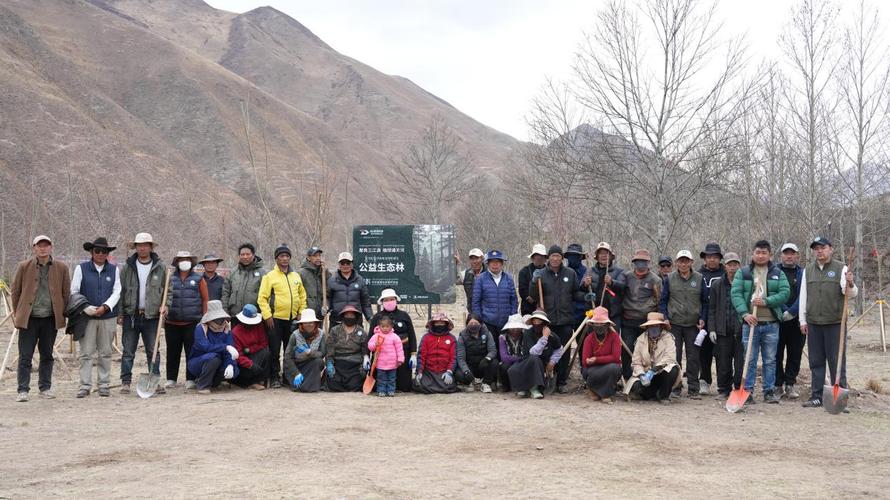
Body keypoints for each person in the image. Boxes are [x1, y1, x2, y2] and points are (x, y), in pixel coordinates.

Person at [799, 237, 858, 408]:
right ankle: (816, 396)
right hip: (814, 323)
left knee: (836, 361)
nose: (819, 251)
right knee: (816, 361)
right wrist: (802, 320)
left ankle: (840, 399)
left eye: (822, 247)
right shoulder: (808, 270)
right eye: (816, 248)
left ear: (830, 249)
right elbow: (803, 296)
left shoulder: (841, 268)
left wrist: (850, 283)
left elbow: (850, 293)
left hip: (835, 323)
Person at [11, 235, 70, 402]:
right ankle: (23, 390)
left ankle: (45, 388)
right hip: (29, 319)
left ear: (51, 248)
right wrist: (19, 313)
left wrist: (63, 312)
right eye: (39, 246)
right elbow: (15, 292)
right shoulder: (24, 266)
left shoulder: (61, 267)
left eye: (46, 245)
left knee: (47, 355)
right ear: (34, 248)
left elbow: (66, 293)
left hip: (50, 318)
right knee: (25, 355)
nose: (43, 249)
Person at [730, 240, 790, 404]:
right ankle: (747, 391)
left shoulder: (777, 273)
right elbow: (736, 294)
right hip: (750, 324)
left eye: (764, 253)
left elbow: (785, 293)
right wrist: (744, 314)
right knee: (749, 359)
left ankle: (768, 391)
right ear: (753, 254)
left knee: (770, 360)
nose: (761, 256)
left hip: (771, 324)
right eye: (758, 252)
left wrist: (766, 301)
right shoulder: (744, 273)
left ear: (770, 255)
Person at [529, 245, 585, 393]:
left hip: (566, 320)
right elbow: (533, 295)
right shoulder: (541, 274)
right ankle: (544, 379)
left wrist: (585, 296)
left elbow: (575, 293)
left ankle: (561, 381)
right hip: (548, 321)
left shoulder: (570, 273)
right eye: (553, 256)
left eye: (558, 256)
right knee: (546, 350)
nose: (555, 259)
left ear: (562, 258)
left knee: (564, 352)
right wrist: (534, 281)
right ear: (548, 257)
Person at [71, 237, 121, 398]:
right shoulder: (81, 269)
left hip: (108, 317)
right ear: (91, 252)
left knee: (105, 352)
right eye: (97, 251)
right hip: (86, 317)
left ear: (107, 253)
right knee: (86, 353)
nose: (100, 254)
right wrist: (86, 308)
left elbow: (117, 291)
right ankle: (85, 385)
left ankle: (104, 384)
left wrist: (106, 306)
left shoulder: (114, 270)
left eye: (104, 251)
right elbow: (74, 291)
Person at [118, 232, 166, 395]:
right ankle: (125, 382)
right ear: (136, 247)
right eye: (139, 245)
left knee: (153, 350)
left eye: (145, 245)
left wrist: (166, 305)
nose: (142, 248)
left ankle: (155, 380)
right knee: (128, 350)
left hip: (152, 316)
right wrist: (120, 313)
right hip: (131, 315)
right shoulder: (127, 267)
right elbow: (121, 291)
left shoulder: (160, 267)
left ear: (151, 247)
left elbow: (168, 290)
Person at [257, 244, 307, 388]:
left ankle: (287, 376)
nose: (284, 259)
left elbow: (302, 295)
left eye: (287, 256)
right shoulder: (269, 276)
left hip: (293, 319)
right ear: (276, 258)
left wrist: (300, 312)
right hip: (275, 319)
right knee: (274, 350)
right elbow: (262, 298)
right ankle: (274, 377)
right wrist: (267, 316)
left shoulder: (295, 276)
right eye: (281, 256)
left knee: (289, 350)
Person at [658, 249, 704, 398]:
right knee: (674, 357)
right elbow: (663, 301)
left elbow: (705, 301)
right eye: (681, 261)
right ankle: (675, 387)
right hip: (674, 324)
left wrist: (703, 317)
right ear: (676, 263)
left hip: (693, 325)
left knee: (693, 357)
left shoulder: (699, 278)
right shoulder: (670, 278)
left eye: (686, 261)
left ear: (691, 262)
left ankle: (693, 388)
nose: (683, 264)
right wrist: (665, 317)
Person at [164, 251, 209, 390]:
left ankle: (191, 379)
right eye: (181, 259)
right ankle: (171, 378)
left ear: (191, 262)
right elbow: (164, 296)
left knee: (191, 352)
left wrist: (205, 317)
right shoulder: (170, 278)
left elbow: (205, 299)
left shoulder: (199, 278)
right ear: (177, 262)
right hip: (172, 322)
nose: (184, 262)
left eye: (187, 259)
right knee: (172, 352)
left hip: (192, 322)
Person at [706, 252, 744, 400]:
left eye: (735, 264)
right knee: (723, 363)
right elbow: (712, 309)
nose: (732, 267)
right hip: (722, 330)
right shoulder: (717, 285)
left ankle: (738, 388)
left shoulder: (745, 283)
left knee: (740, 363)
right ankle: (723, 389)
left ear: (739, 266)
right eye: (729, 264)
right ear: (725, 266)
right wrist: (712, 329)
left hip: (740, 330)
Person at [620, 249, 662, 381]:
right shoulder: (626, 276)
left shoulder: (655, 279)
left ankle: (646, 377)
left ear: (648, 262)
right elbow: (620, 292)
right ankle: (627, 377)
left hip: (646, 321)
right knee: (627, 348)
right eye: (638, 261)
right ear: (634, 262)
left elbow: (658, 300)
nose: (641, 264)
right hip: (628, 319)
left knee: (646, 350)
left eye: (644, 261)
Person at [506, 310, 563, 399]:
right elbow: (533, 352)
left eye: (539, 321)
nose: (536, 324)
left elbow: (559, 349)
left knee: (536, 360)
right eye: (534, 321)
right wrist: (544, 338)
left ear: (544, 323)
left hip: (544, 363)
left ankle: (535, 389)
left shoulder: (552, 336)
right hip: (527, 360)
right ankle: (524, 389)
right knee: (513, 369)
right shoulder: (528, 333)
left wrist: (552, 362)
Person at [626, 312, 680, 403]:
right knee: (636, 386)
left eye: (656, 326)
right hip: (646, 374)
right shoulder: (640, 339)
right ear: (647, 327)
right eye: (651, 326)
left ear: (661, 327)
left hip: (662, 372)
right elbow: (636, 362)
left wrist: (654, 370)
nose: (653, 329)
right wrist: (642, 375)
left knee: (673, 369)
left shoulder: (668, 338)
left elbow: (670, 357)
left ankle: (664, 396)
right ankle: (652, 395)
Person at [368, 289, 416, 392]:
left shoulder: (404, 315)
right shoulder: (377, 317)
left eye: (391, 299)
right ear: (382, 302)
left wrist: (413, 354)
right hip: (381, 355)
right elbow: (370, 337)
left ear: (396, 300)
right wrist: (366, 356)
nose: (389, 302)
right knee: (378, 383)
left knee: (404, 386)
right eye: (386, 300)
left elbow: (412, 335)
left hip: (402, 353)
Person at [187, 300, 239, 394]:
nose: (220, 320)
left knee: (235, 370)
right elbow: (205, 347)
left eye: (221, 317)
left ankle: (215, 383)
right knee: (213, 358)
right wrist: (225, 347)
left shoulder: (226, 328)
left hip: (219, 360)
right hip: (199, 361)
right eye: (217, 318)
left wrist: (230, 364)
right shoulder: (201, 328)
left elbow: (230, 350)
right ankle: (203, 385)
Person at [471, 250, 518, 351]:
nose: (495, 265)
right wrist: (480, 320)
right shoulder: (481, 279)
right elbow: (476, 302)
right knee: (491, 350)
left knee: (506, 350)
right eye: (492, 262)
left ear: (502, 264)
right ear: (487, 264)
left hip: (506, 323)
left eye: (497, 262)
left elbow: (514, 300)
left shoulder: (509, 279)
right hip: (488, 322)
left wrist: (512, 318)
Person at [776, 242, 804, 399]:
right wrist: (783, 310)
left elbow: (804, 295)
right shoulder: (774, 271)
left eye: (792, 253)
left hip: (797, 320)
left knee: (795, 353)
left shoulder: (803, 273)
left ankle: (790, 384)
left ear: (797, 255)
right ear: (781, 255)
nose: (789, 256)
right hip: (777, 319)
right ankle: (777, 385)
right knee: (776, 354)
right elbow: (772, 292)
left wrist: (792, 311)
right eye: (786, 253)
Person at [698, 242, 726, 396]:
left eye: (715, 257)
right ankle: (704, 380)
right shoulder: (698, 274)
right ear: (705, 258)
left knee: (722, 353)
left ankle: (723, 383)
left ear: (719, 258)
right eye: (709, 257)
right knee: (704, 352)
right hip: (703, 318)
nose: (712, 259)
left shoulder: (726, 272)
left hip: (722, 318)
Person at [581, 307, 622, 403]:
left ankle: (606, 394)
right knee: (587, 371)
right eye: (596, 324)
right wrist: (590, 361)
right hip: (593, 369)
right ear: (592, 325)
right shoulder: (589, 339)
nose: (599, 326)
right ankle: (593, 389)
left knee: (614, 368)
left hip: (610, 367)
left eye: (602, 324)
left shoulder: (614, 337)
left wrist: (596, 359)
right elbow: (585, 362)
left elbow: (616, 357)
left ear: (607, 325)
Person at [325, 305, 370, 392]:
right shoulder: (334, 330)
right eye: (347, 315)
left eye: (352, 315)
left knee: (355, 385)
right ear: (343, 316)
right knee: (333, 383)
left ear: (355, 317)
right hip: (338, 362)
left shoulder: (361, 331)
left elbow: (364, 349)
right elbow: (330, 348)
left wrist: (366, 358)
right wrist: (329, 362)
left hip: (355, 363)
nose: (349, 317)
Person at [413, 312, 459, 394]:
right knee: (420, 385)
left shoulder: (451, 338)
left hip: (444, 371)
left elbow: (454, 357)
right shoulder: (426, 337)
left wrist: (449, 371)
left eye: (442, 323)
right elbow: (421, 356)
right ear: (433, 324)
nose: (439, 325)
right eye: (437, 323)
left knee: (448, 387)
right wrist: (419, 371)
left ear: (446, 324)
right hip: (429, 371)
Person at [283, 309, 326, 393]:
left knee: (319, 361)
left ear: (315, 323)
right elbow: (288, 357)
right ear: (301, 324)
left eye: (311, 322)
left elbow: (323, 353)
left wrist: (311, 353)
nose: (308, 325)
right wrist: (296, 373)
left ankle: (309, 385)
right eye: (306, 323)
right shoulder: (295, 335)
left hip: (310, 365)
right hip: (296, 365)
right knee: (298, 385)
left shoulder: (321, 334)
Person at [455, 314, 499, 393]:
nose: (473, 325)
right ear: (467, 324)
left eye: (476, 323)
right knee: (459, 374)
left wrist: (487, 358)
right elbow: (461, 358)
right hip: (470, 365)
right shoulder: (462, 336)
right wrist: (466, 371)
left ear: (481, 324)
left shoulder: (487, 333)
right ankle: (470, 383)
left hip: (483, 364)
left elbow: (493, 350)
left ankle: (486, 383)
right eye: (471, 323)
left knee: (494, 362)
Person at [221, 242, 266, 319]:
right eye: (242, 254)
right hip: (235, 316)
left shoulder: (262, 273)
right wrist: (225, 313)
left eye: (248, 254)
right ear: (239, 256)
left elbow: (267, 296)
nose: (245, 257)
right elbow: (225, 294)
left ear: (253, 255)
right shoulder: (233, 273)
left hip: (255, 317)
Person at [588, 242, 626, 328]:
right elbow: (580, 289)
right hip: (594, 314)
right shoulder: (590, 271)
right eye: (601, 253)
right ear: (597, 256)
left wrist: (612, 282)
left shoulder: (619, 271)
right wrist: (585, 284)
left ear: (611, 256)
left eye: (606, 253)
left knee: (613, 335)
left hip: (613, 314)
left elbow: (623, 287)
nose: (603, 256)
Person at [327, 251, 372, 324]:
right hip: (337, 321)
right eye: (342, 263)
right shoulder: (332, 281)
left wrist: (369, 317)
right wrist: (325, 307)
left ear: (352, 264)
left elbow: (365, 301)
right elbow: (327, 298)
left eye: (348, 263)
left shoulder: (360, 280)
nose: (345, 265)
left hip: (356, 321)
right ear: (339, 264)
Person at [231, 304, 270, 390]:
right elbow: (237, 355)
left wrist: (249, 350)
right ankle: (251, 382)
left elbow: (264, 344)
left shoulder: (259, 326)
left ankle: (260, 379)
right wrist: (250, 364)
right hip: (242, 361)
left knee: (266, 352)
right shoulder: (235, 332)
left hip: (252, 354)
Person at [367, 315, 405, 396]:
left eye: (387, 326)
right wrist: (375, 344)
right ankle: (381, 390)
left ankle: (391, 390)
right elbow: (370, 346)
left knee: (392, 378)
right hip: (380, 363)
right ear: (379, 326)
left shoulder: (395, 337)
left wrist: (400, 359)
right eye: (383, 326)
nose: (385, 328)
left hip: (392, 363)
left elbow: (399, 349)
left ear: (391, 326)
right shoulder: (376, 336)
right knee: (381, 379)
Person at [296, 246, 331, 318]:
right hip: (306, 314)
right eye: (315, 256)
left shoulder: (323, 271)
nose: (318, 258)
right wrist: (299, 312)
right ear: (308, 258)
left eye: (319, 256)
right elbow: (297, 294)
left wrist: (326, 305)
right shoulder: (301, 273)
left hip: (320, 314)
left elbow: (327, 291)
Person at [497, 314, 528, 392]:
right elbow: (503, 357)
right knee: (504, 367)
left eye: (518, 328)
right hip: (510, 362)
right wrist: (518, 359)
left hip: (523, 361)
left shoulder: (526, 336)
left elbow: (527, 353)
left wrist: (520, 359)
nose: (515, 330)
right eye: (513, 328)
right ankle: (506, 386)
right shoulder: (502, 337)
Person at [564, 243, 590, 329]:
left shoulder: (587, 272)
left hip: (583, 314)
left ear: (580, 257)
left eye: (576, 255)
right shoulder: (562, 272)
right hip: (566, 314)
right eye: (571, 256)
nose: (573, 258)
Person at [518, 244, 547, 316]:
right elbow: (522, 290)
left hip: (546, 308)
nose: (539, 258)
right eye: (537, 256)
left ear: (545, 258)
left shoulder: (549, 271)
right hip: (528, 309)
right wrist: (534, 302)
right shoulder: (524, 271)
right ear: (533, 257)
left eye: (542, 256)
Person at [460, 248, 486, 312]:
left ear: (482, 259)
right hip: (472, 313)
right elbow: (454, 280)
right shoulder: (466, 274)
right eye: (472, 259)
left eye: (477, 258)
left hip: (487, 313)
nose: (474, 261)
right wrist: (456, 265)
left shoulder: (490, 273)